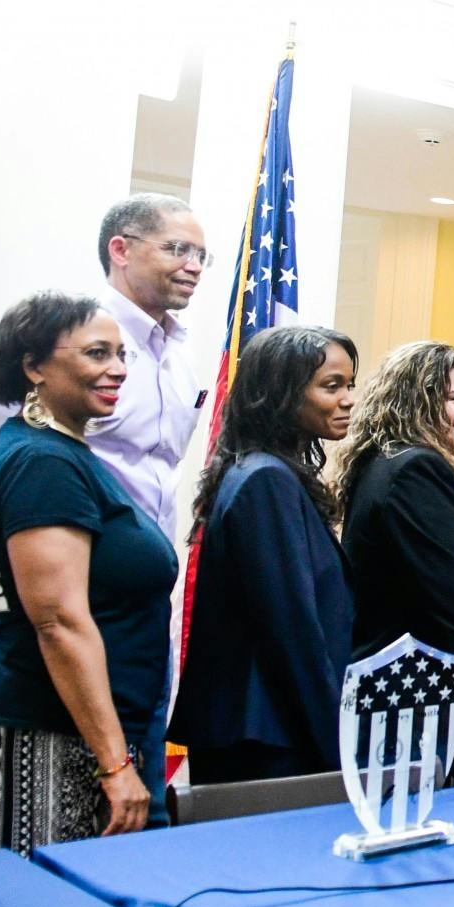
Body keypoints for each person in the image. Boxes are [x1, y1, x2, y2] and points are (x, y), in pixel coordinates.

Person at [0, 194, 207, 638]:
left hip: (149, 599)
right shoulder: (63, 343)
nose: (194, 266)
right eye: (177, 249)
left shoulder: (181, 352)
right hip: (68, 598)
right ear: (120, 250)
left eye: (201, 255)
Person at [0, 293, 178, 850]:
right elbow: (58, 622)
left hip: (101, 733)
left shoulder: (66, 452)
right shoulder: (42, 462)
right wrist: (114, 765)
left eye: (120, 355)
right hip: (57, 736)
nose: (116, 369)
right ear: (33, 366)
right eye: (96, 354)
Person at [170, 326, 358, 783]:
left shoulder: (265, 472)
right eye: (331, 386)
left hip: (270, 730)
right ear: (281, 393)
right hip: (265, 738)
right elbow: (292, 631)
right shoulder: (264, 481)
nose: (349, 398)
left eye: (350, 384)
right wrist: (339, 756)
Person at [339, 342, 454, 718]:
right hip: (414, 690)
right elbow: (442, 585)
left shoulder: (384, 462)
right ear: (417, 401)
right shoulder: (416, 469)